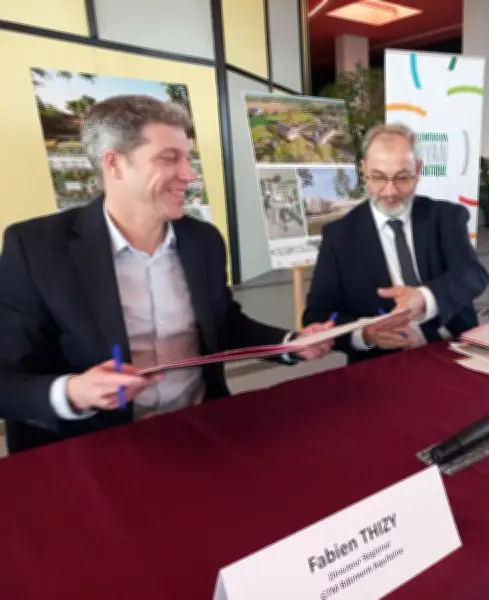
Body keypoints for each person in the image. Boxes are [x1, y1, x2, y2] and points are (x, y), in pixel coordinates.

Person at [0, 95, 333, 454]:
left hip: (199, 429)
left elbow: (222, 324)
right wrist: (73, 392)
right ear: (114, 163)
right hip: (95, 448)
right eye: (168, 158)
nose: (189, 175)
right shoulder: (37, 248)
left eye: (188, 158)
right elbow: (7, 377)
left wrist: (290, 343)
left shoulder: (202, 240)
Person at [302, 123, 488, 363]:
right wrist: (365, 334)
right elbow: (318, 315)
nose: (390, 191)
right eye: (378, 177)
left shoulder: (445, 217)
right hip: (382, 362)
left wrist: (424, 298)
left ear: (418, 171)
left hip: (453, 348)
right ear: (363, 170)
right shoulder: (339, 236)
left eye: (402, 177)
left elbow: (473, 274)